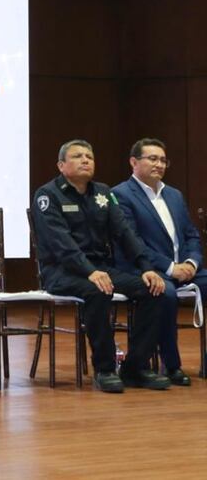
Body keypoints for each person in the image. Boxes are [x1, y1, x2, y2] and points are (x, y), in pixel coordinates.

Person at [32, 139, 169, 392]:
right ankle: (105, 369)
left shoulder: (103, 194)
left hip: (100, 268)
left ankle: (134, 367)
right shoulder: (48, 195)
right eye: (78, 156)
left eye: (90, 156)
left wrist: (146, 266)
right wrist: (90, 271)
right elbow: (62, 244)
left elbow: (125, 233)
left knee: (154, 290)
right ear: (61, 165)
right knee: (97, 290)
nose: (86, 160)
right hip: (62, 271)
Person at [112, 138, 207, 386]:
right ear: (134, 162)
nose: (159, 164)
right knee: (165, 292)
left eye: (163, 160)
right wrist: (170, 267)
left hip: (184, 268)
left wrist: (191, 263)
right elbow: (132, 242)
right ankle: (172, 366)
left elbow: (191, 235)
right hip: (147, 270)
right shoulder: (120, 195)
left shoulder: (174, 194)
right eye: (152, 159)